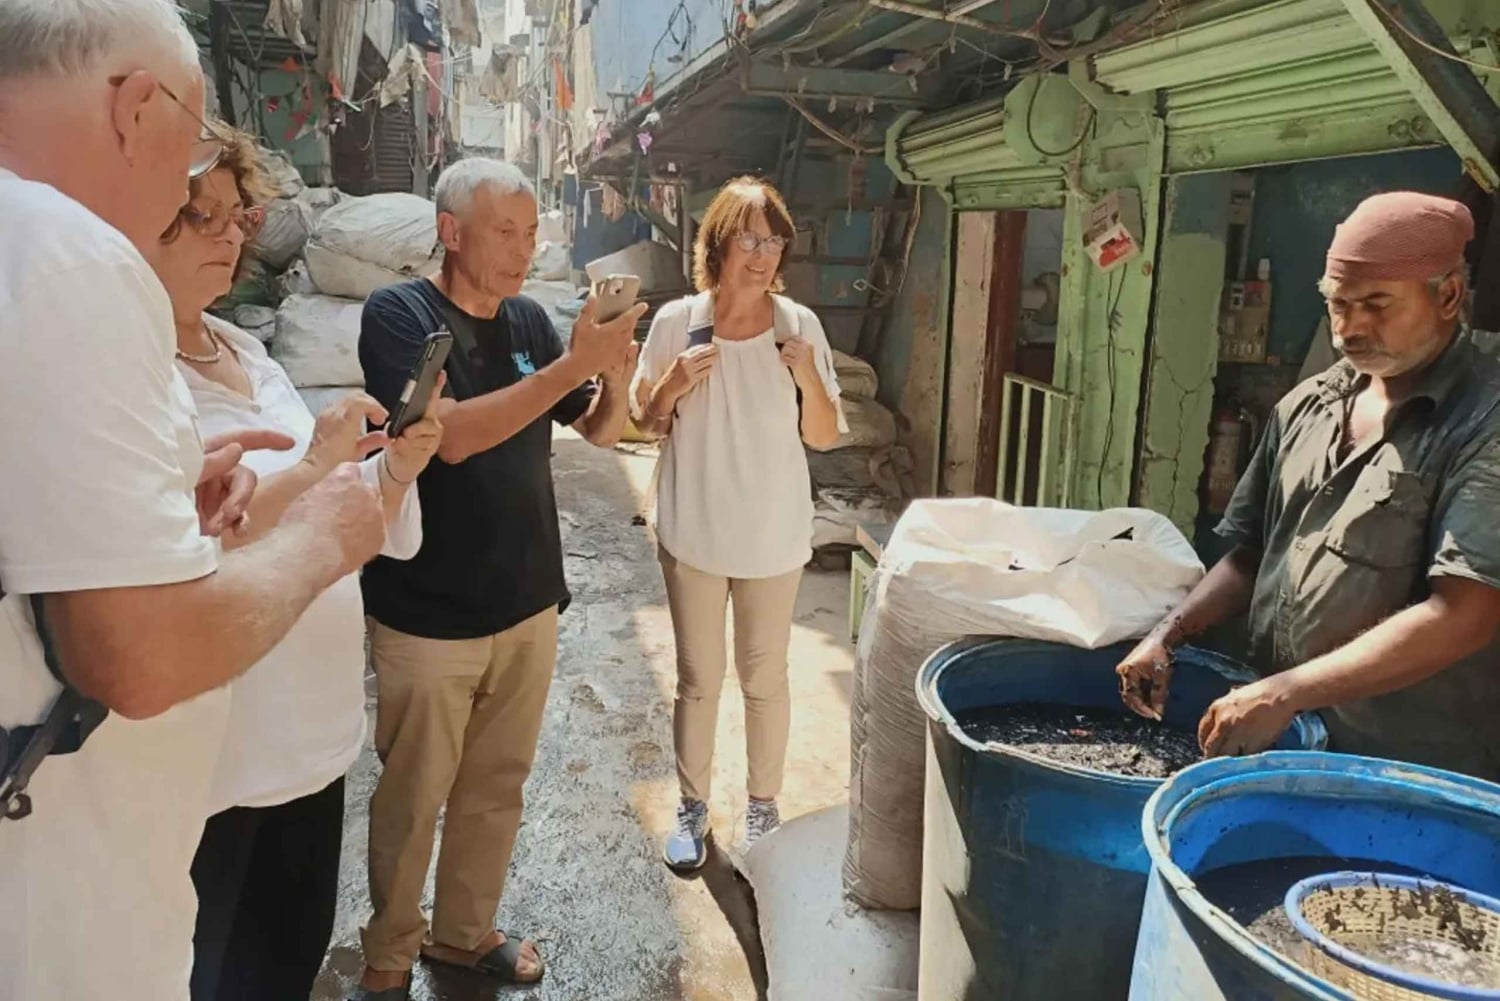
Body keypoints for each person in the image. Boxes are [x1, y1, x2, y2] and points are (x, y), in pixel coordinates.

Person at [0, 2, 388, 998]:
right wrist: (324, 532)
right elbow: (135, 652)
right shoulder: (70, 255)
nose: (206, 219)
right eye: (189, 178)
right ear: (137, 107)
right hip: (62, 910)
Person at [148, 125, 444, 1001]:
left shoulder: (242, 349)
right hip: (222, 754)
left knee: (289, 952)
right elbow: (181, 539)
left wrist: (390, 469)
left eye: (234, 216)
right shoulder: (134, 377)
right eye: (195, 217)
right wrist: (318, 465)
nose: (226, 235)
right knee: (209, 969)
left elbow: (332, 514)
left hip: (310, 736)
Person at [350, 157, 645, 998]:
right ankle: (389, 953)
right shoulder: (399, 313)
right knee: (413, 797)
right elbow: (450, 437)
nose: (525, 248)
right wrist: (567, 366)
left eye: (531, 232)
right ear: (451, 231)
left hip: (526, 599)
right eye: (505, 231)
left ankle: (464, 933)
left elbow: (592, 432)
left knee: (495, 785)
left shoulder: (527, 321)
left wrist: (611, 378)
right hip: (427, 611)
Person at [1116, 192, 1500, 779]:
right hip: (1282, 740)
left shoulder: (1482, 422)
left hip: (1403, 770)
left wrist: (1287, 691)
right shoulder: (1309, 406)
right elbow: (1250, 554)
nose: (1350, 328)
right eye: (1339, 306)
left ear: (1447, 295)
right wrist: (1168, 637)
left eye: (1376, 305)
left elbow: (1464, 614)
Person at [630, 176, 845, 871]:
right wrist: (672, 384)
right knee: (699, 678)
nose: (762, 254)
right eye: (749, 238)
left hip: (773, 536)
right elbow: (644, 419)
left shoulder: (798, 328)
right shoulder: (677, 324)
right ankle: (692, 807)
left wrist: (808, 375)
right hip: (694, 531)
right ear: (718, 241)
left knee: (765, 677)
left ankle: (763, 806)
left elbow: (824, 433)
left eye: (774, 240)